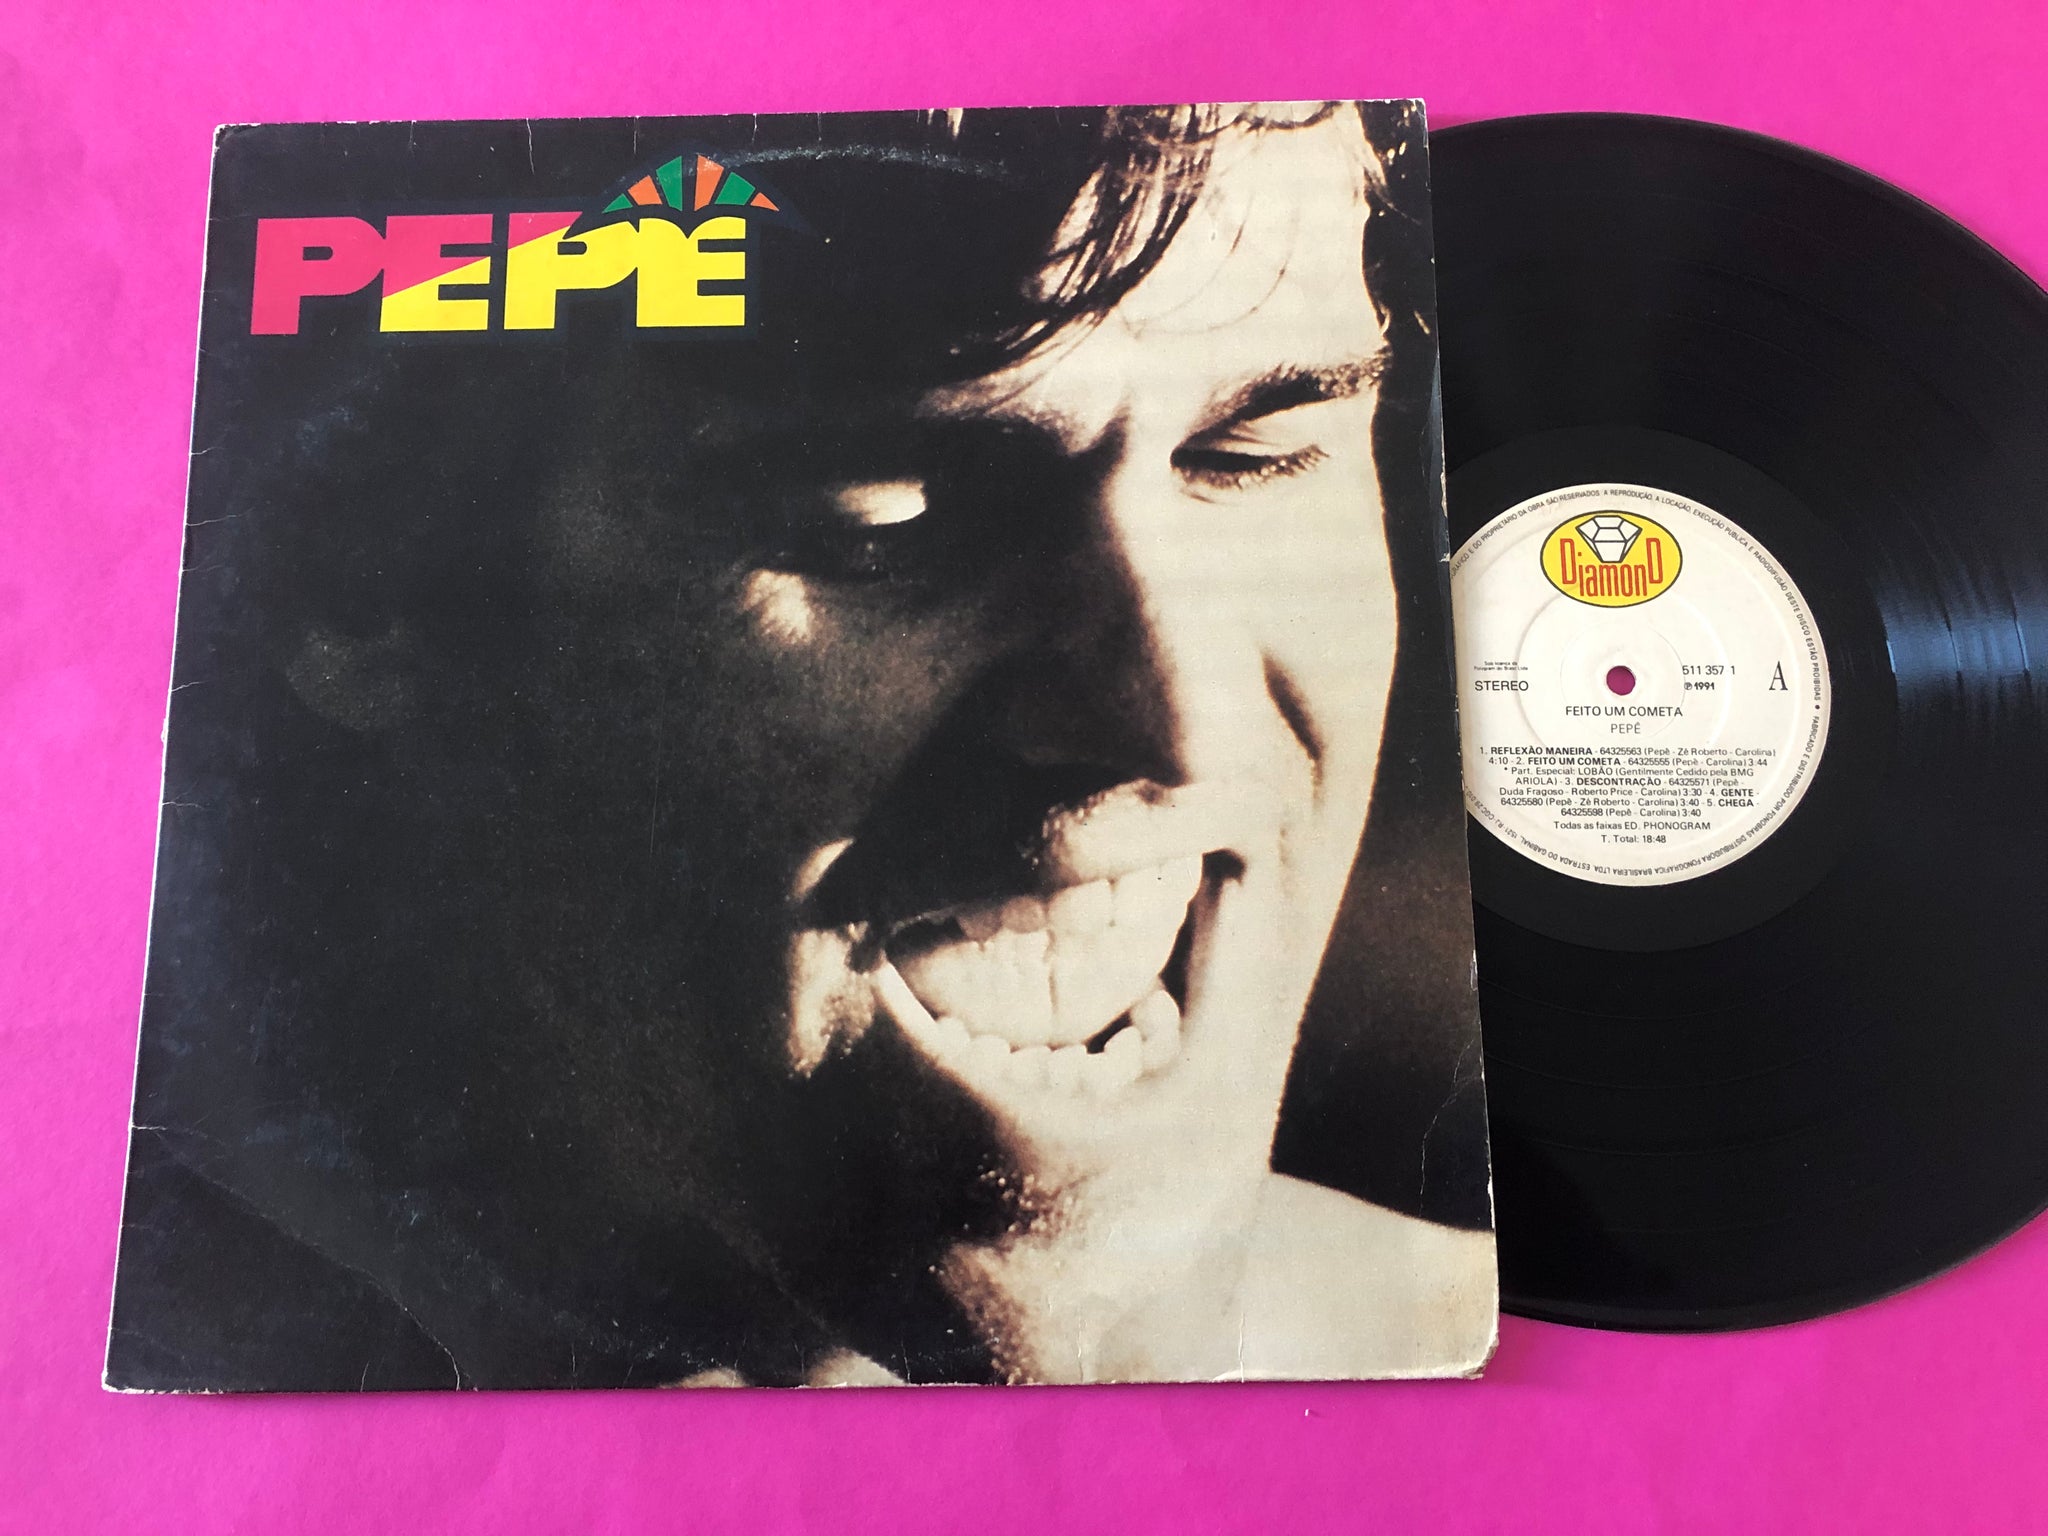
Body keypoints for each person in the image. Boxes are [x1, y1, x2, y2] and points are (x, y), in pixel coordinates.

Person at [110, 101, 1494, 1391]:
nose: (1177, 722)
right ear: (368, 588)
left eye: (1253, 454)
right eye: (888, 511)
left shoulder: (1469, 1361)